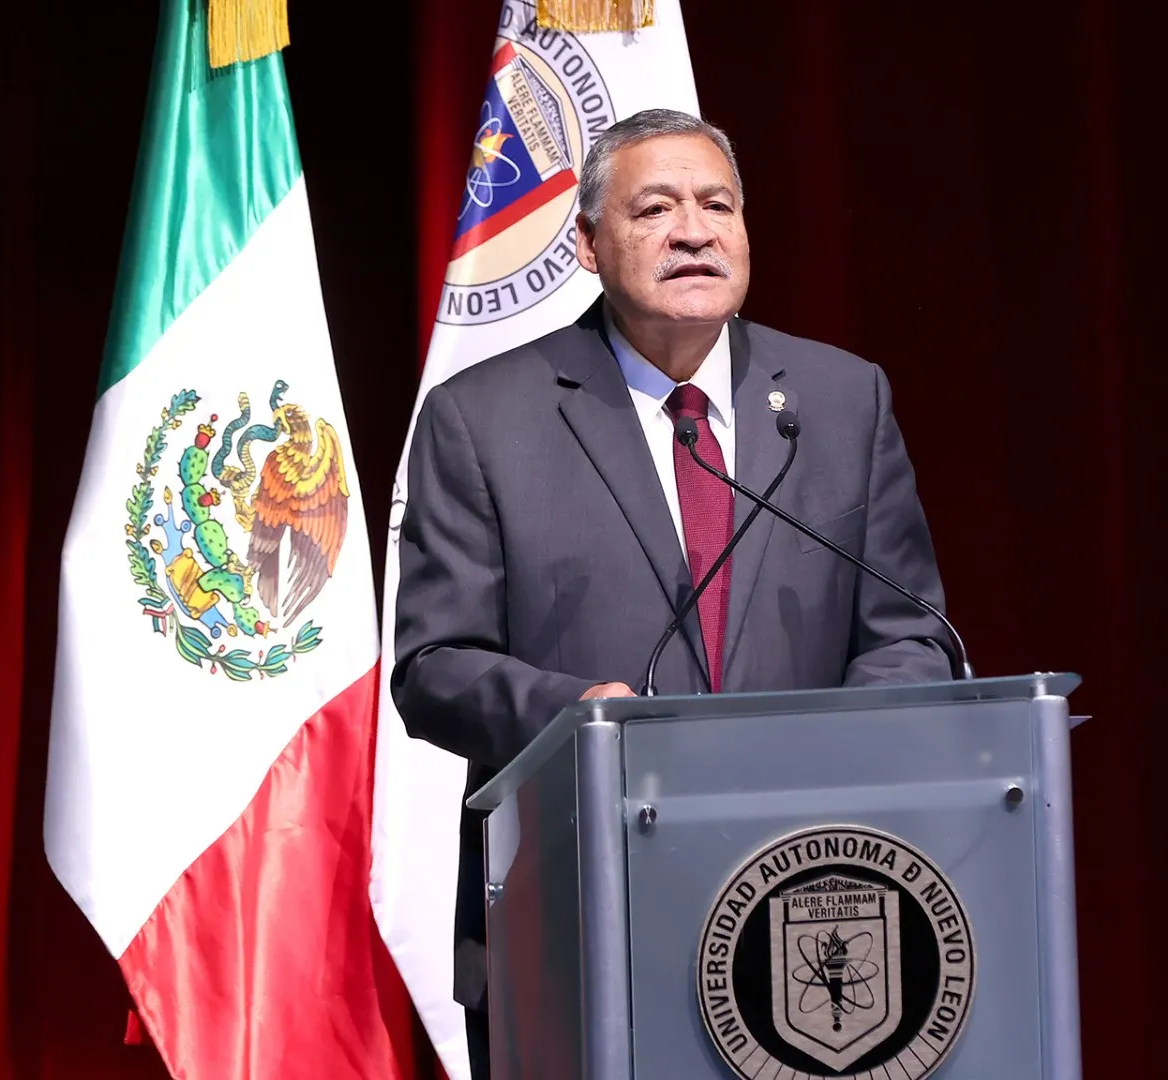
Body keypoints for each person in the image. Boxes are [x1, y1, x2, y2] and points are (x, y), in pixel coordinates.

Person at [390, 108, 955, 1078]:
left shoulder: (839, 401)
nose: (694, 230)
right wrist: (578, 719)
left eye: (717, 205)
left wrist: (835, 744)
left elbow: (912, 634)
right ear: (587, 244)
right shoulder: (482, 420)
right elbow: (434, 663)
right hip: (579, 907)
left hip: (813, 888)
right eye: (655, 208)